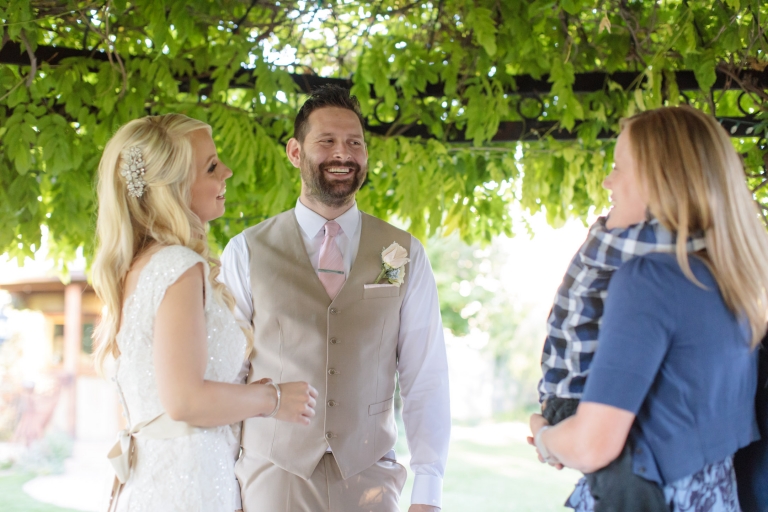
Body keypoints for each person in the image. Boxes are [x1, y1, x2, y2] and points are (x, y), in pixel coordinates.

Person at [220, 85, 451, 512]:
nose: (342, 153)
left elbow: (425, 373)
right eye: (326, 141)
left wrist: (429, 491)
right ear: (294, 152)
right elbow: (227, 373)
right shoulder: (245, 251)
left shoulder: (405, 252)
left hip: (371, 480)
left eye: (354, 143)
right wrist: (224, 487)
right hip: (272, 477)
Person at [528, 105, 768, 511]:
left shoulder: (648, 280)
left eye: (619, 167)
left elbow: (591, 446)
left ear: (662, 182)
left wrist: (546, 437)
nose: (608, 181)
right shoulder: (735, 279)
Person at [91, 114, 318, 512]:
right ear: (174, 188)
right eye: (212, 166)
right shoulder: (178, 266)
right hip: (188, 489)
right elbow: (185, 401)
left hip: (162, 481)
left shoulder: (141, 266)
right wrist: (274, 398)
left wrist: (242, 394)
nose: (227, 171)